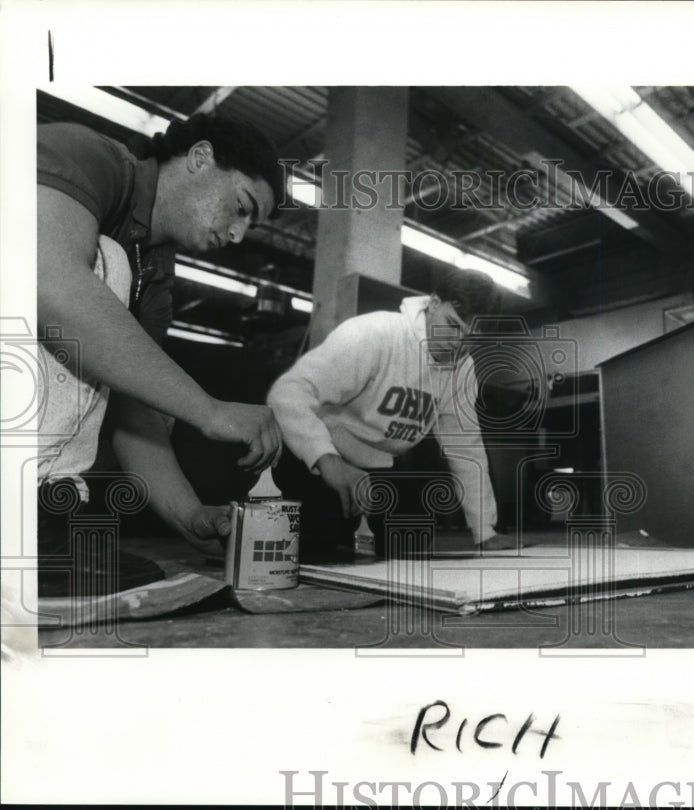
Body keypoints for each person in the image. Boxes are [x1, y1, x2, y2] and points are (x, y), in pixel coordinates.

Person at [36, 113, 284, 596]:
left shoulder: (154, 272)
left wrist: (189, 516)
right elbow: (48, 283)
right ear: (200, 157)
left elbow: (133, 406)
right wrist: (208, 410)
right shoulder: (87, 154)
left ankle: (38, 511)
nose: (237, 235)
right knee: (103, 264)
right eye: (241, 207)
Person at [267, 268, 517, 562]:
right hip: (317, 460)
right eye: (452, 325)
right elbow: (287, 392)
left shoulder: (462, 368)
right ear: (434, 303)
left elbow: (466, 449)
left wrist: (484, 532)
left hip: (378, 469)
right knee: (314, 550)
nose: (457, 344)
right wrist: (326, 459)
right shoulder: (373, 335)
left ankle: (348, 531)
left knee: (409, 547)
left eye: (470, 337)